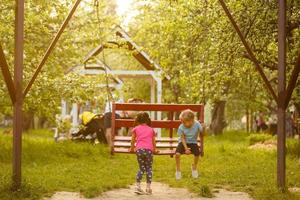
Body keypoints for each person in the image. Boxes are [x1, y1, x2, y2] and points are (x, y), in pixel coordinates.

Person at [129, 112, 157, 195]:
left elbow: (133, 140)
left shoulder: (136, 129)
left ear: (138, 120)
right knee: (149, 168)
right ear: (147, 120)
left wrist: (132, 148)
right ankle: (148, 188)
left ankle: (138, 186)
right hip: (149, 151)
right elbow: (153, 141)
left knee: (141, 168)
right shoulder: (151, 129)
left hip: (139, 150)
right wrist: (154, 149)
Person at [175, 109, 203, 180]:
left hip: (193, 142)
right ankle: (178, 170)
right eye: (182, 122)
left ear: (192, 120)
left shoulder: (197, 124)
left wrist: (204, 128)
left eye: (184, 122)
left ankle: (194, 167)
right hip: (183, 142)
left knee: (197, 153)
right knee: (177, 154)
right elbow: (182, 138)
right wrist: (186, 148)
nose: (183, 123)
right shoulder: (181, 127)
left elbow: (203, 132)